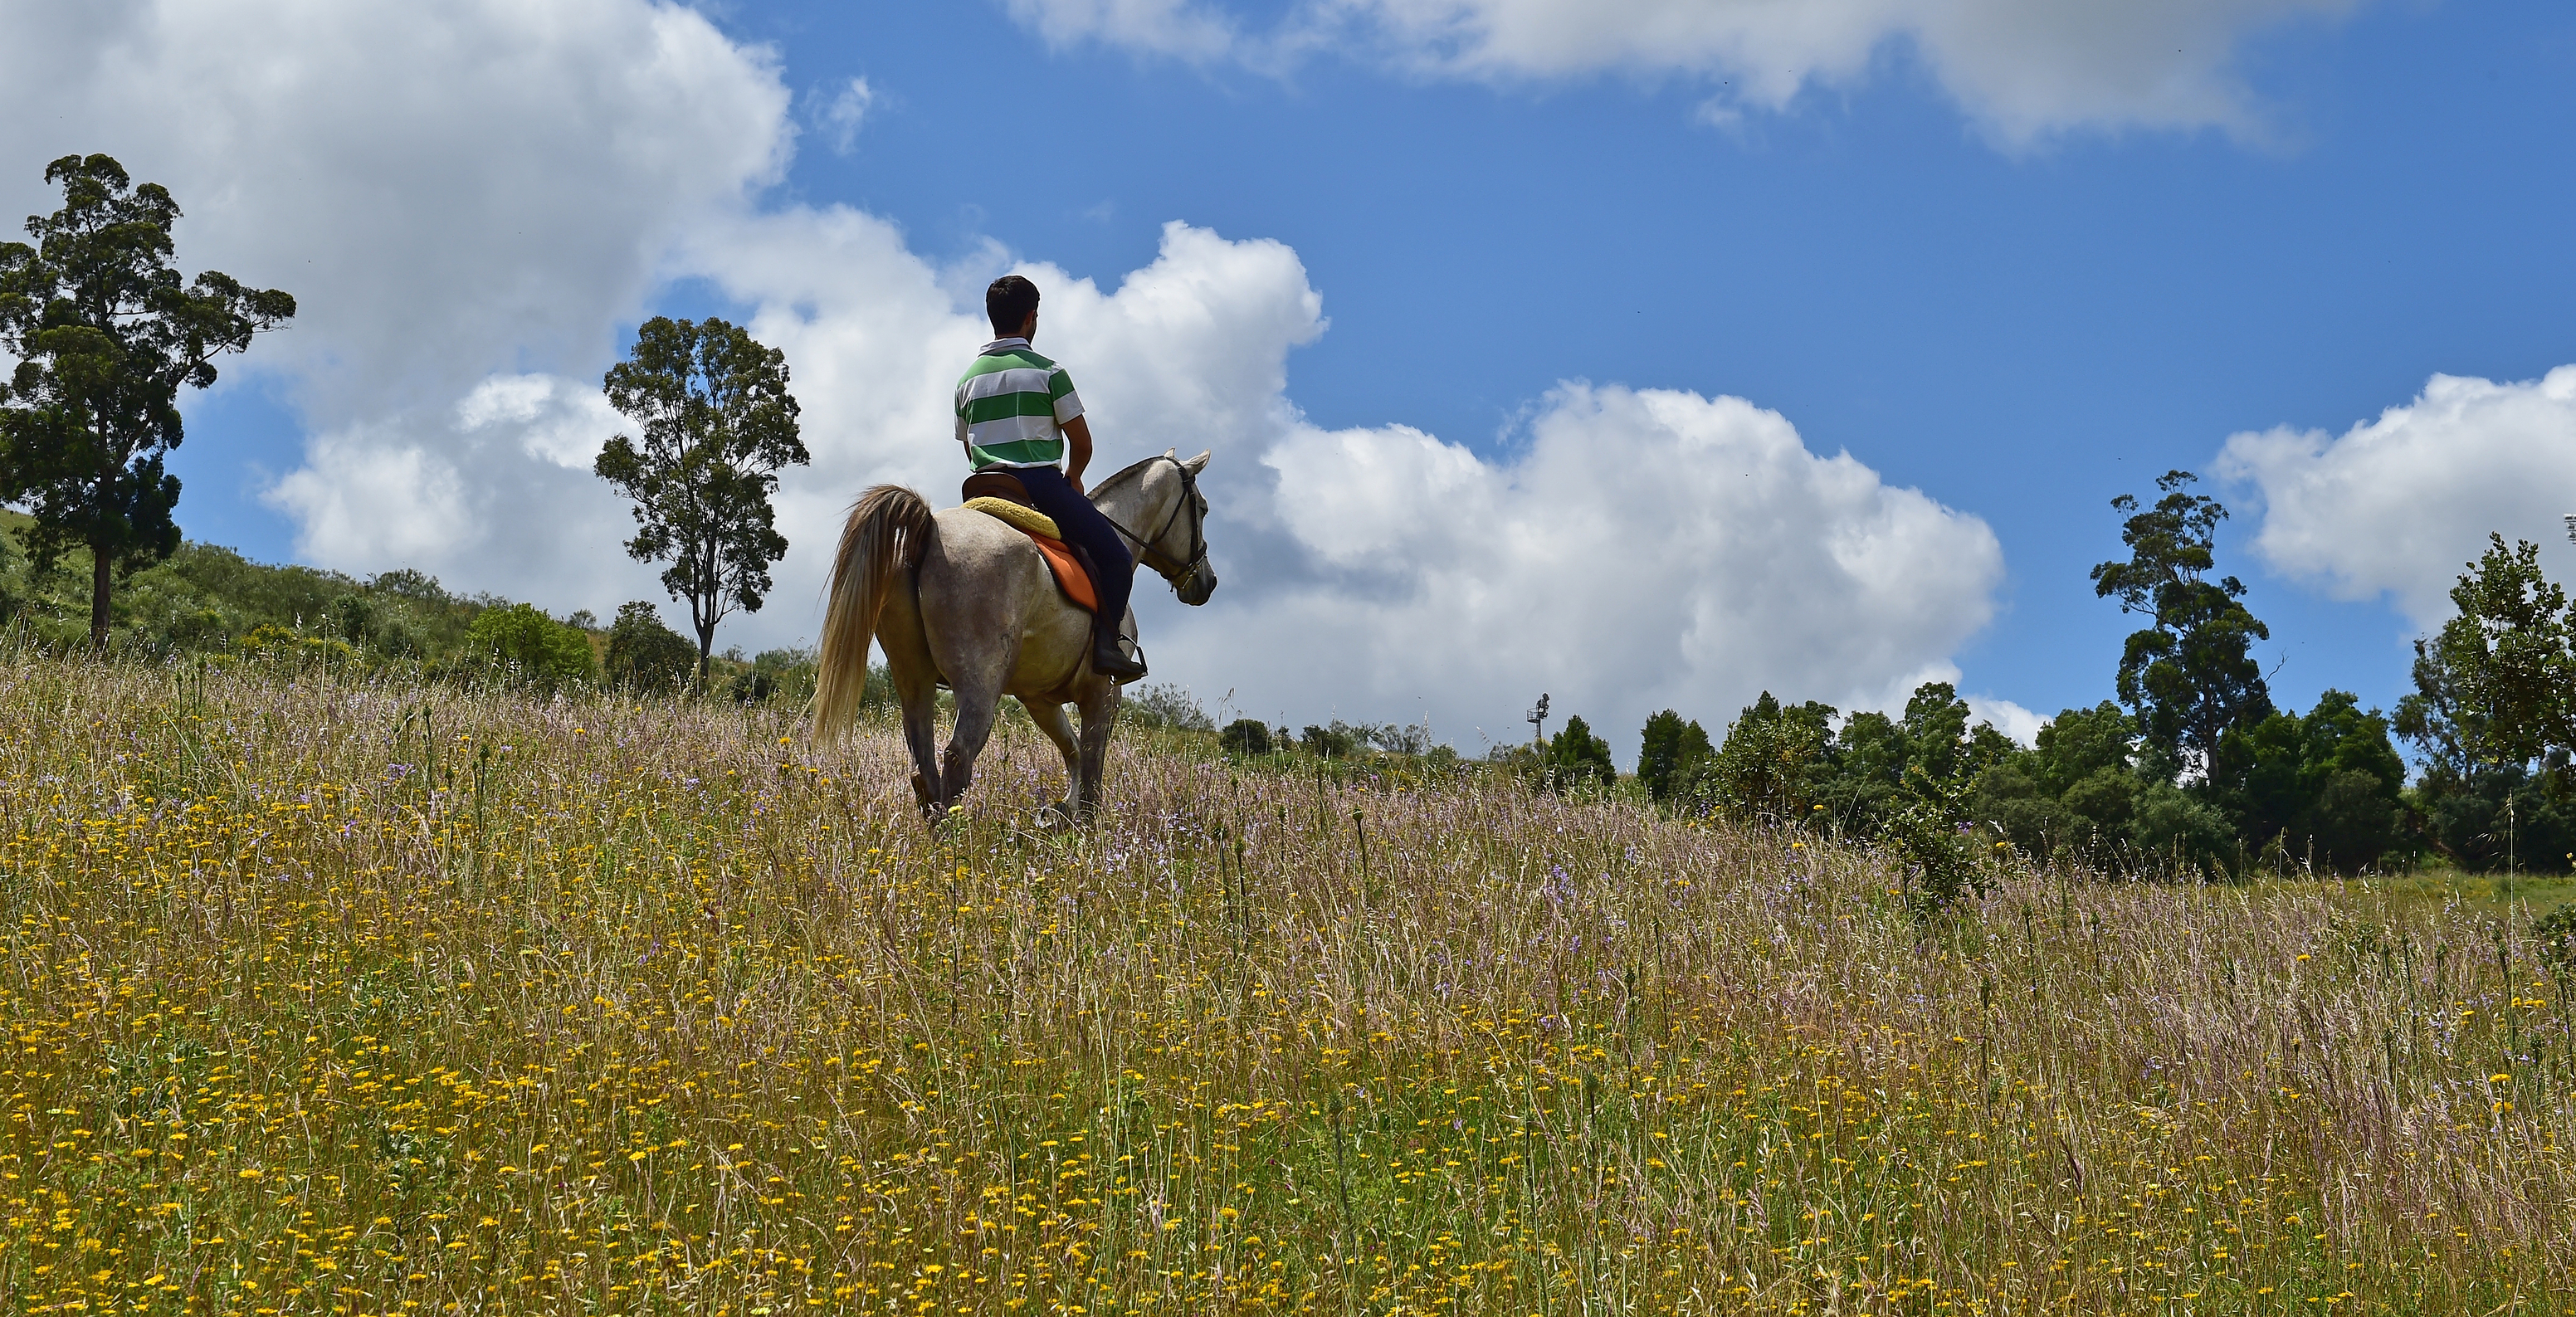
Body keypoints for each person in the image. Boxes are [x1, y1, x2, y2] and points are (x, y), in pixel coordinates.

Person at [955, 275, 1146, 680]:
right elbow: (1083, 443)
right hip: (1039, 485)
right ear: (1030, 319)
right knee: (1116, 558)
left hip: (982, 488)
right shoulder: (1049, 372)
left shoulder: (966, 380)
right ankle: (1107, 648)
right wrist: (1074, 478)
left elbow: (969, 448)